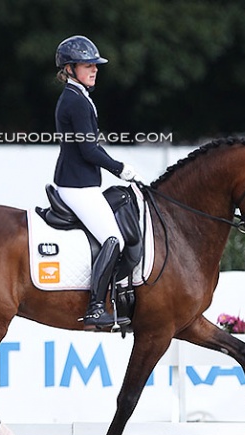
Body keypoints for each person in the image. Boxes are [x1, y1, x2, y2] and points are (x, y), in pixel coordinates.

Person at [53, 35, 143, 331]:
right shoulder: (75, 101)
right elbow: (89, 150)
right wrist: (121, 169)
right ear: (69, 68)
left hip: (82, 181)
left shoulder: (80, 97)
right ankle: (94, 309)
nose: (94, 70)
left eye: (95, 65)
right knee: (112, 238)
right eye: (87, 65)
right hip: (77, 185)